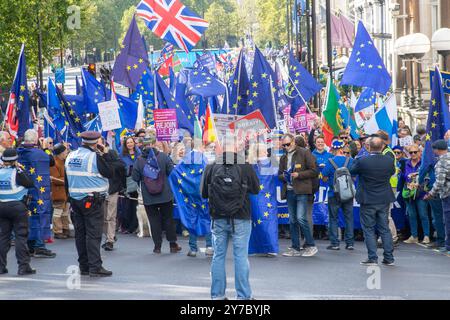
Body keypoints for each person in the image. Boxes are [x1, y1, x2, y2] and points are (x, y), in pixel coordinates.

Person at [200, 135, 260, 300]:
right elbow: (256, 189)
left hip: (218, 217)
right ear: (236, 148)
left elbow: (203, 193)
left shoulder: (211, 166)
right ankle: (243, 296)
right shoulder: (245, 166)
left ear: (221, 148)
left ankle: (217, 296)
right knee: (241, 256)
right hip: (241, 215)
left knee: (218, 256)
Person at [65, 131, 115, 277]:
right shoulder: (95, 157)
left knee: (80, 234)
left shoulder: (71, 155)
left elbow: (67, 179)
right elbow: (110, 172)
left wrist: (70, 197)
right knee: (93, 235)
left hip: (76, 200)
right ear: (96, 142)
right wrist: (105, 154)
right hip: (92, 201)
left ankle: (84, 266)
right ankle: (95, 267)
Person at [132, 134, 181, 254]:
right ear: (154, 144)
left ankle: (157, 246)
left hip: (148, 195)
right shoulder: (163, 157)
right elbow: (172, 172)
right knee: (168, 219)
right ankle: (173, 244)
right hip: (165, 194)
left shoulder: (139, 160)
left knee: (154, 220)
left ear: (143, 145)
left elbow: (135, 177)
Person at [350, 136, 395, 266]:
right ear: (382, 147)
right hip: (383, 199)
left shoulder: (363, 160)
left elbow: (352, 171)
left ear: (368, 147)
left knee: (368, 229)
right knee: (384, 228)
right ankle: (389, 257)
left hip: (368, 198)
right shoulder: (388, 160)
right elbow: (391, 172)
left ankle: (372, 257)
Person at [17, 129, 56, 258]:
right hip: (38, 191)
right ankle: (39, 246)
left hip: (22, 192)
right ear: (35, 140)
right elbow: (51, 161)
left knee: (28, 217)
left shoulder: (18, 152)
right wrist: (45, 148)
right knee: (40, 216)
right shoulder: (40, 154)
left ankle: (31, 246)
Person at [278, 133, 318, 257]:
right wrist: (284, 176)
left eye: (288, 144)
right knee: (292, 220)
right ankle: (295, 247)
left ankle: (311, 245)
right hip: (290, 191)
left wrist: (299, 175)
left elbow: (314, 171)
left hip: (302, 190)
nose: (286, 147)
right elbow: (279, 174)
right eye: (284, 145)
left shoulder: (304, 152)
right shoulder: (283, 158)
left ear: (294, 142)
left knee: (301, 218)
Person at [0, 149, 36, 275]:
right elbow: (30, 183)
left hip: (2, 207)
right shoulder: (18, 172)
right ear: (15, 160)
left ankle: (1, 267)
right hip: (17, 207)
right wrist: (20, 168)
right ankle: (23, 267)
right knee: (21, 236)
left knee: (3, 237)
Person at [322, 140, 355, 250]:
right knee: (349, 218)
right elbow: (354, 176)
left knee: (333, 218)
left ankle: (335, 243)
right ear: (342, 149)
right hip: (348, 193)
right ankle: (350, 243)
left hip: (333, 193)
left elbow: (324, 176)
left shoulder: (330, 161)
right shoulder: (350, 160)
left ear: (333, 149)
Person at [247, 143, 279, 257]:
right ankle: (270, 248)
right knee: (269, 221)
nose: (267, 152)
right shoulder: (271, 162)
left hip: (255, 197)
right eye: (265, 150)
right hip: (267, 197)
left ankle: (256, 247)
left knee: (256, 222)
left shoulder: (251, 164)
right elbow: (277, 174)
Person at [419, 141, 446, 250]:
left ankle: (441, 240)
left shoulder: (440, 161)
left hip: (436, 189)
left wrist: (421, 184)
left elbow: (438, 180)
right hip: (443, 190)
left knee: (437, 216)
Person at [400, 145, 430, 244]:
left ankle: (426, 236)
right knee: (411, 215)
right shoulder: (405, 163)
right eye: (411, 152)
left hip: (421, 193)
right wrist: (407, 177)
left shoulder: (423, 163)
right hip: (409, 193)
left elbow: (427, 176)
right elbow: (403, 177)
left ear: (419, 152)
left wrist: (417, 177)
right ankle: (414, 236)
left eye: (415, 152)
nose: (413, 154)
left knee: (423, 215)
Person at [102, 138, 126, 251]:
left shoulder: (112, 154)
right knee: (103, 217)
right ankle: (109, 235)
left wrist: (106, 155)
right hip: (99, 191)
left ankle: (109, 240)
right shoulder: (94, 157)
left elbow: (120, 166)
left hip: (112, 190)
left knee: (110, 216)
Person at [377, 130, 399, 245]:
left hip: (389, 185)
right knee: (384, 212)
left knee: (386, 213)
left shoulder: (388, 153)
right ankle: (386, 236)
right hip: (387, 185)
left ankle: (392, 237)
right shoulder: (385, 151)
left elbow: (388, 170)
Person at [118, 136, 140, 235]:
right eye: (128, 143)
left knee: (136, 206)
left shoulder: (139, 153)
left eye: (131, 142)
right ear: (125, 145)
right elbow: (120, 168)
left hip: (137, 182)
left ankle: (134, 226)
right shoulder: (122, 155)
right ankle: (125, 226)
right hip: (126, 183)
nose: (130, 144)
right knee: (126, 206)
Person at [50, 143, 71, 239]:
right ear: (61, 153)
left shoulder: (65, 161)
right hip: (58, 191)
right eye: (65, 151)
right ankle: (58, 231)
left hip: (65, 192)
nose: (67, 152)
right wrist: (68, 181)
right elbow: (54, 178)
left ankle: (65, 229)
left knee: (65, 212)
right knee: (58, 212)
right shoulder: (54, 163)